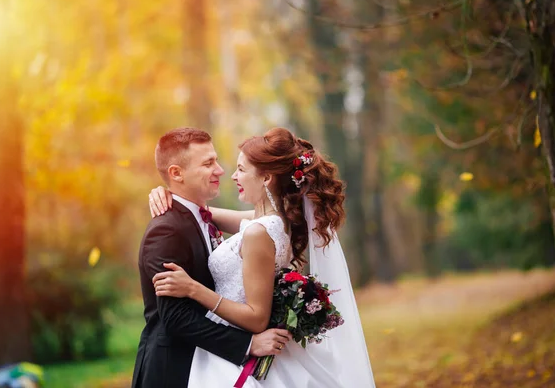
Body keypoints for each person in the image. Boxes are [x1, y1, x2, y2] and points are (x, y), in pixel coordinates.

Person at [149, 127, 376, 387]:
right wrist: (168, 192)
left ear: (266, 178)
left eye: (241, 170)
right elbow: (204, 212)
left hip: (231, 352)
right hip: (224, 345)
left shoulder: (259, 231)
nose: (231, 175)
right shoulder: (275, 222)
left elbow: (257, 317)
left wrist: (193, 289)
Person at [132, 127, 292, 388]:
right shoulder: (166, 230)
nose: (220, 170)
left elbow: (268, 221)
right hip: (174, 371)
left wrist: (168, 191)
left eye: (216, 160)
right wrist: (248, 344)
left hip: (214, 365)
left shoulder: (205, 217)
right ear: (176, 173)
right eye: (208, 163)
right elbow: (176, 318)